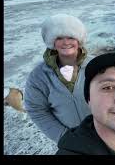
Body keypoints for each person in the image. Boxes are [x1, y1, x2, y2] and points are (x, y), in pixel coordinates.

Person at [24, 14, 91, 143]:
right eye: (59, 38)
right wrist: (64, 137)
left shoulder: (96, 66)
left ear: (79, 40)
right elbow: (36, 109)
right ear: (51, 41)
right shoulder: (39, 76)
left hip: (105, 134)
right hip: (71, 141)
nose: (66, 42)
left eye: (71, 37)